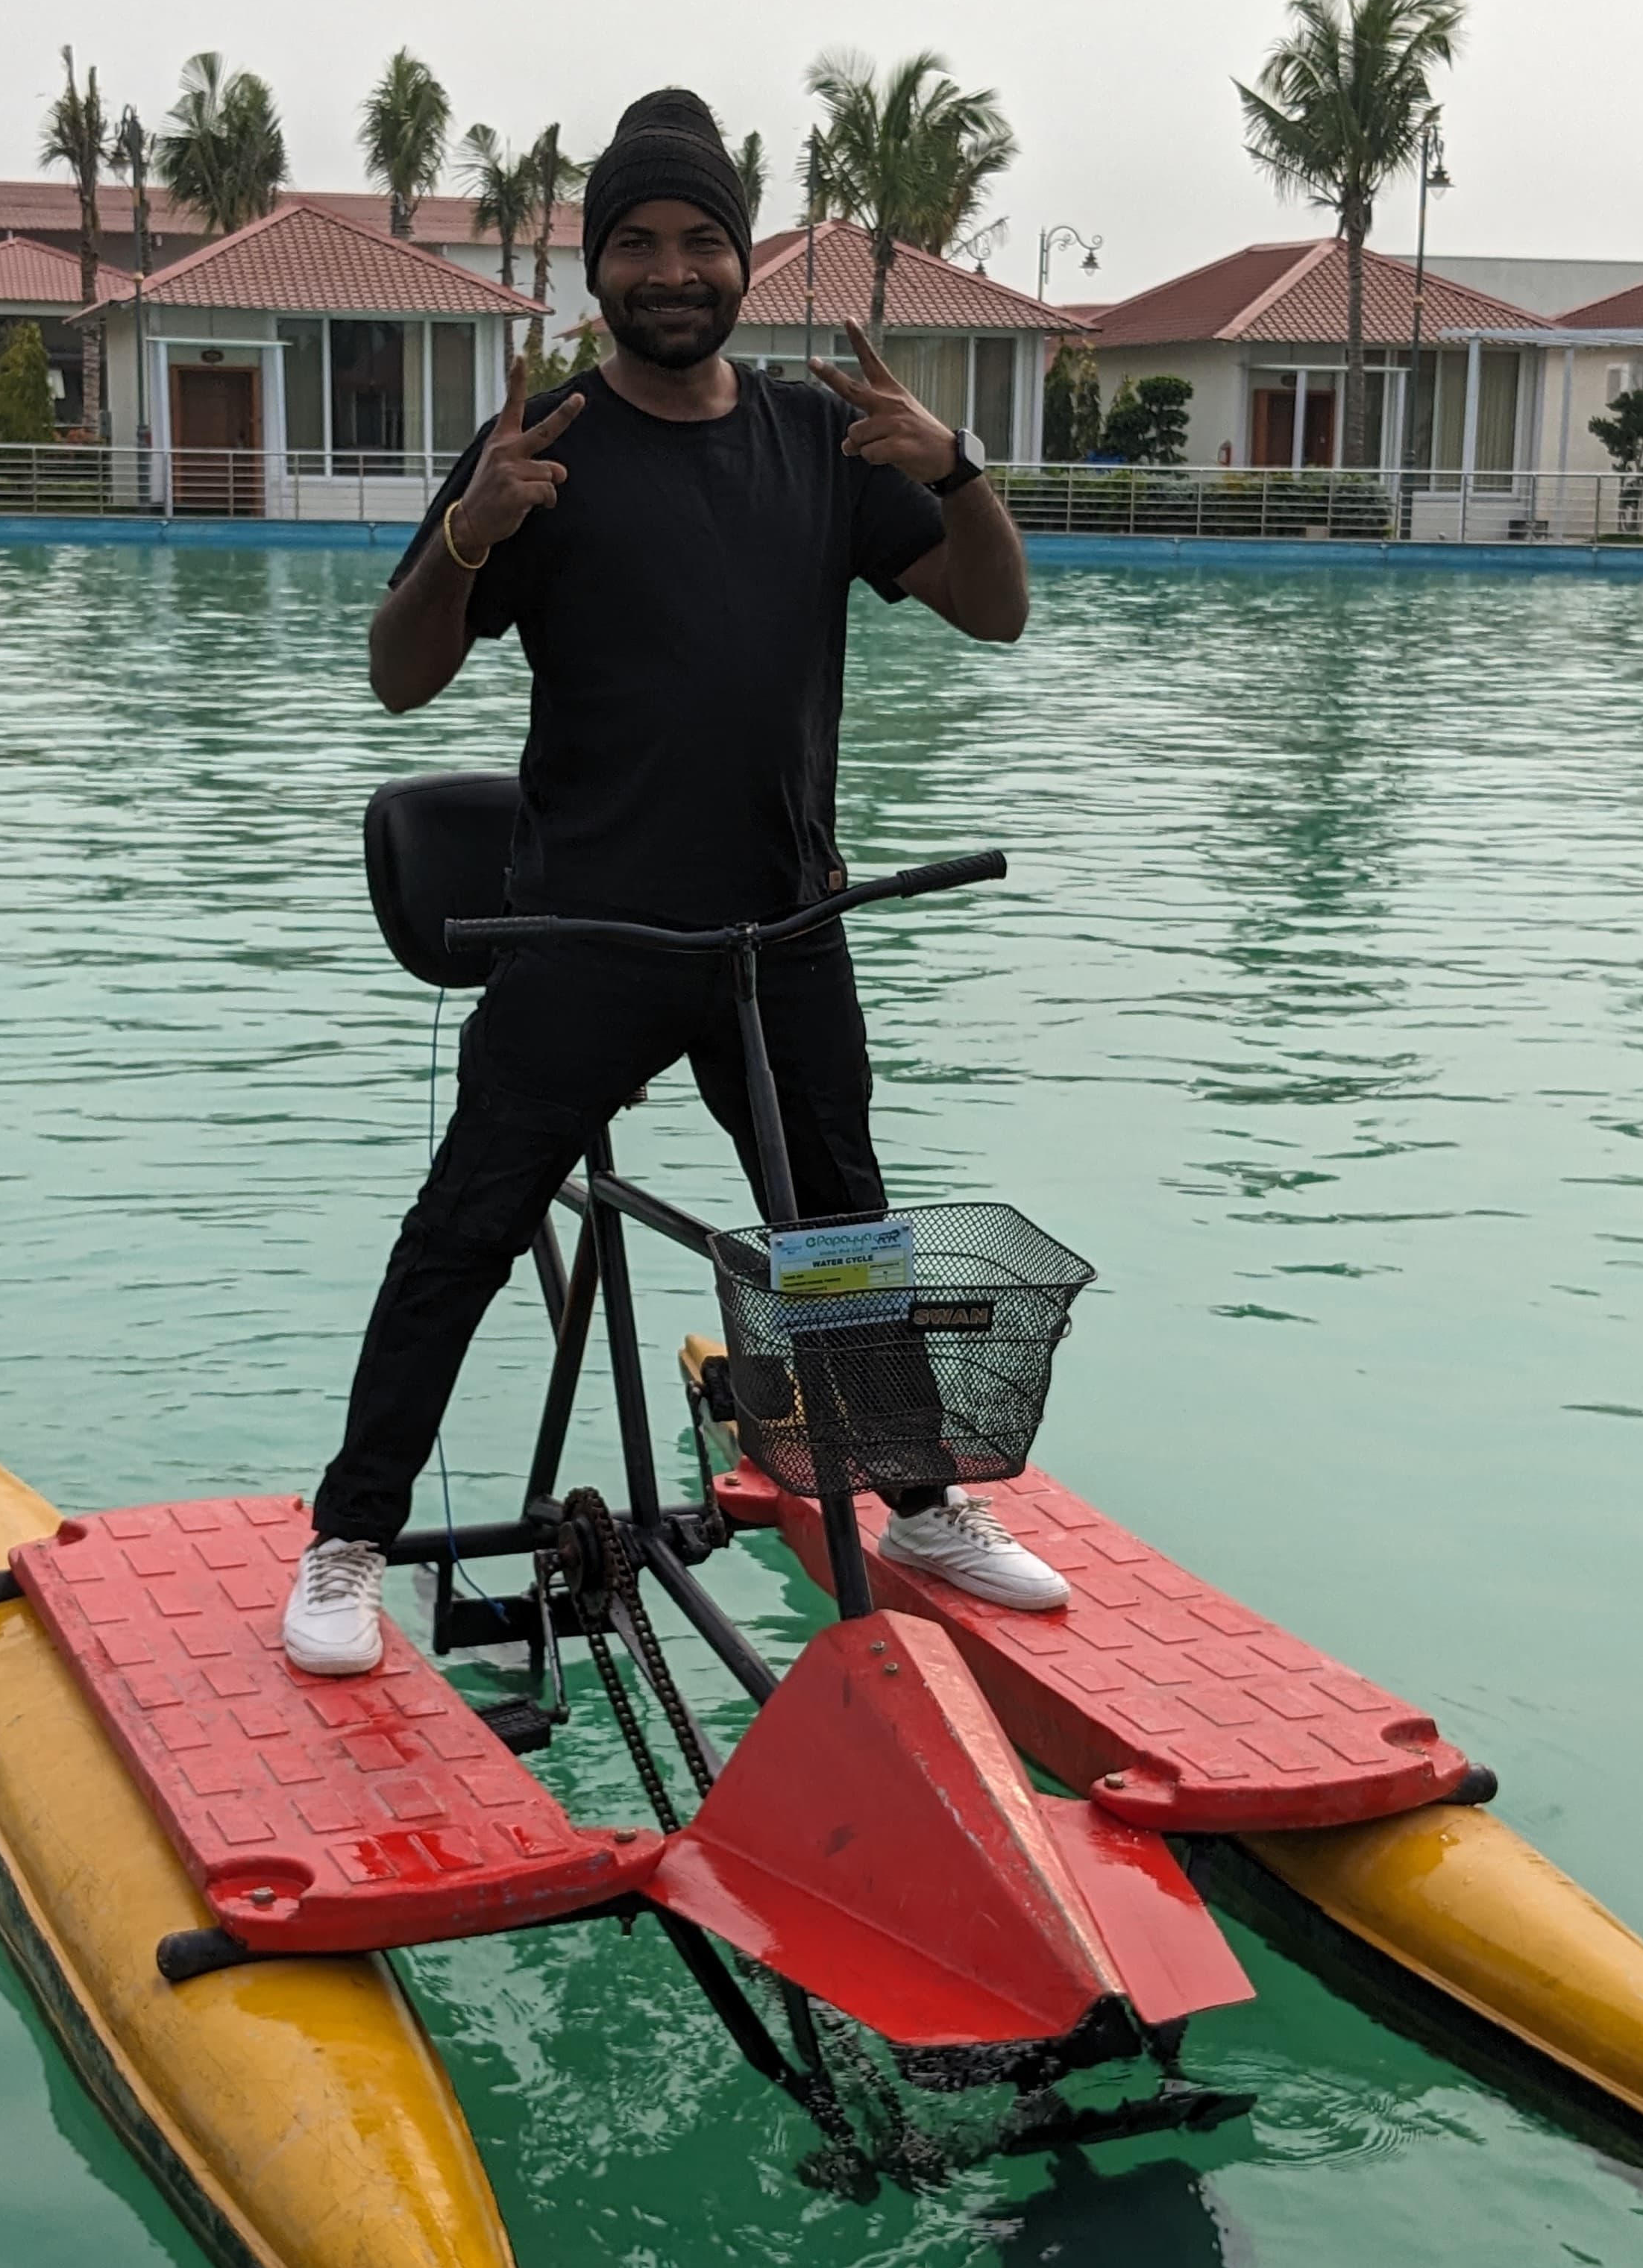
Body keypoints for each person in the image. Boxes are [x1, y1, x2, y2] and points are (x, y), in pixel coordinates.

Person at [283, 86, 1069, 1676]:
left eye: (698, 238)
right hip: (587, 933)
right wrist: (469, 536)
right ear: (597, 270)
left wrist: (959, 470)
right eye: (634, 242)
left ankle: (919, 1505)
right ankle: (348, 1542)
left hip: (783, 931)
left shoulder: (818, 439)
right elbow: (397, 678)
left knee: (839, 1227)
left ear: (740, 258)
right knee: (465, 1232)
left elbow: (996, 613)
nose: (669, 270)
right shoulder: (543, 447)